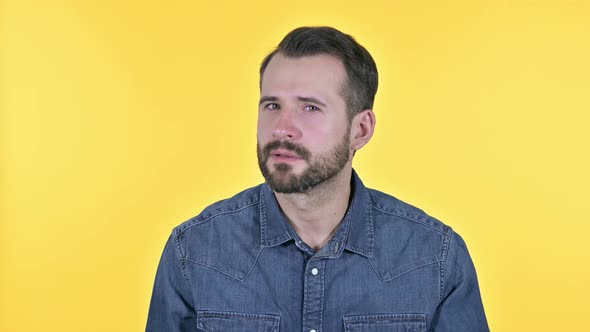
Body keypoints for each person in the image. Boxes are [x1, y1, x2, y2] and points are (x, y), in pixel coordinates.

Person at [146, 26, 489, 331]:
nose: (282, 128)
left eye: (310, 107)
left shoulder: (434, 257)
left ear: (361, 129)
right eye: (272, 105)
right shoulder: (194, 251)